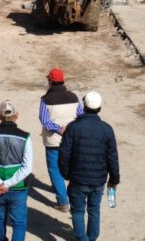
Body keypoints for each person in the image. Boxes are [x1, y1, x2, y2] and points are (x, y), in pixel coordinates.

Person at [59, 91, 120, 241]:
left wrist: (66, 174)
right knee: (94, 210)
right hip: (98, 180)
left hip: (78, 179)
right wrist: (114, 179)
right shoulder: (107, 129)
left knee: (77, 211)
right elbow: (112, 157)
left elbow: (64, 154)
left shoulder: (73, 127)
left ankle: (82, 239)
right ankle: (92, 238)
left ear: (84, 107)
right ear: (99, 108)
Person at [0, 100, 33, 241]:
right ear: (16, 116)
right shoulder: (25, 136)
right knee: (19, 223)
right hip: (18, 187)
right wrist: (8, 184)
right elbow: (27, 167)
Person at [39, 68, 82, 211]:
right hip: (72, 140)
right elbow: (80, 116)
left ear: (50, 81)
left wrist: (58, 129)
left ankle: (63, 202)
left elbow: (45, 120)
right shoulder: (74, 97)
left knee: (54, 169)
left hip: (53, 141)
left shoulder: (45, 99)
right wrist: (69, 129)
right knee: (72, 167)